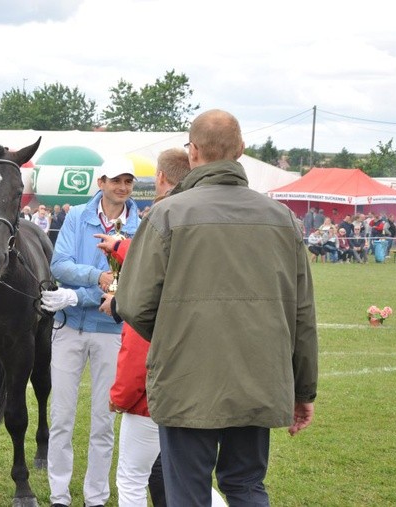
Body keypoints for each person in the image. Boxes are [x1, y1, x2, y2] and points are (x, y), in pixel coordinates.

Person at [115, 109, 318, 506]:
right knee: (245, 486)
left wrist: (178, 335)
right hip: (257, 375)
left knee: (187, 491)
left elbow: (132, 302)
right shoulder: (283, 219)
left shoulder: (167, 213)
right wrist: (304, 388)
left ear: (192, 153)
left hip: (187, 376)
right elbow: (303, 317)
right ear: (240, 150)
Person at [40, 156, 140, 507]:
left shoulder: (139, 226)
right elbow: (59, 265)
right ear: (101, 182)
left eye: (128, 181)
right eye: (116, 180)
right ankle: (59, 496)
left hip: (111, 331)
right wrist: (96, 279)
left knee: (103, 420)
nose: (123, 187)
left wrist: (82, 291)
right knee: (61, 417)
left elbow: (131, 282)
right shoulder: (78, 215)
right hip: (68, 328)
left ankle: (96, 497)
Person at [97, 148, 194, 507]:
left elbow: (142, 335)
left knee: (132, 478)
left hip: (157, 395)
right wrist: (122, 247)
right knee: (189, 475)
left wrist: (120, 396)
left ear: (163, 179)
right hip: (205, 385)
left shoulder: (160, 217)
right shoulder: (199, 218)